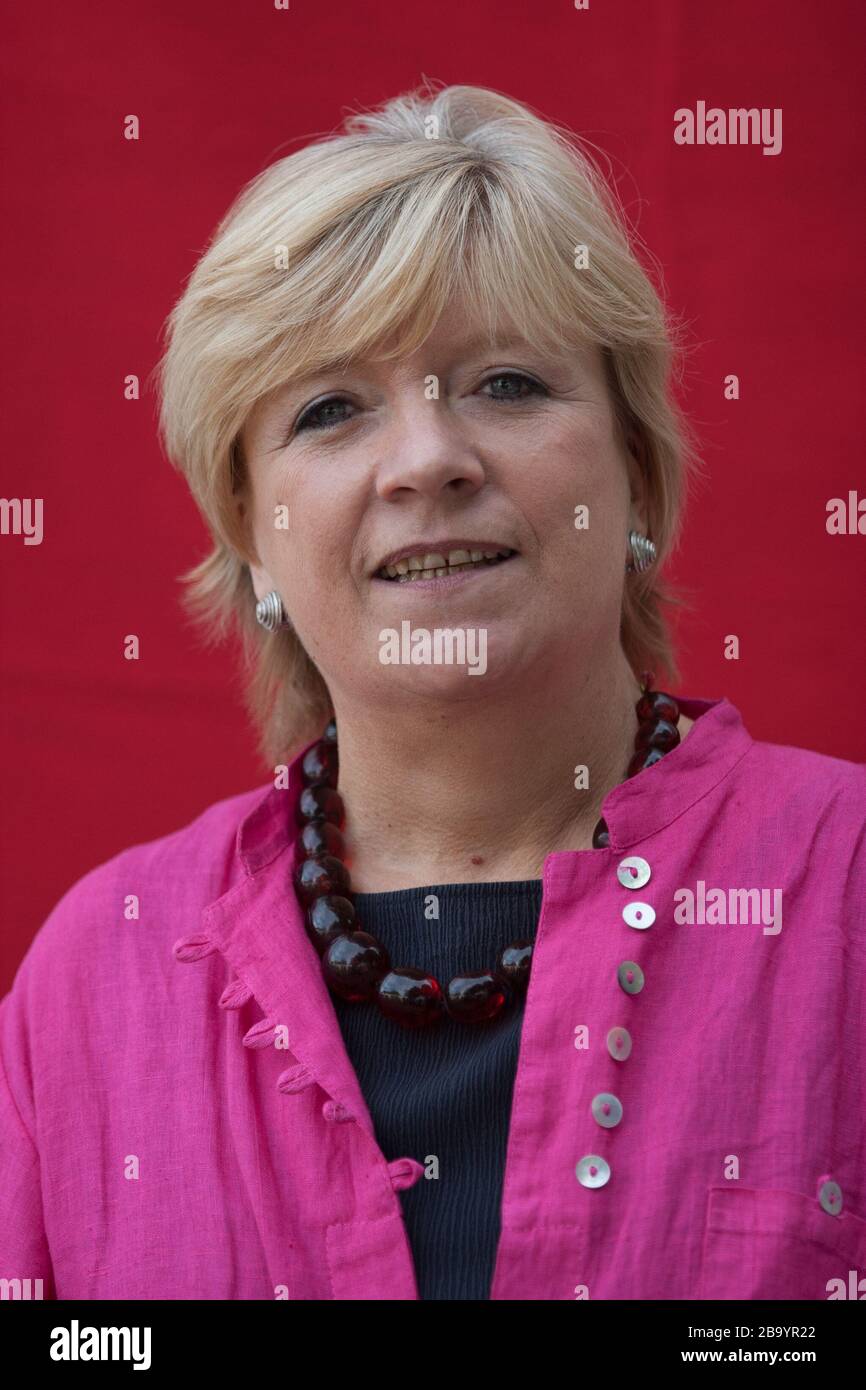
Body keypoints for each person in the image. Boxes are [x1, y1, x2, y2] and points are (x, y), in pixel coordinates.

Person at [1, 81, 864, 1302]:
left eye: (506, 383)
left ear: (634, 465)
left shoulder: (846, 896)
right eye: (331, 409)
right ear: (249, 530)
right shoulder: (98, 975)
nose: (427, 461)